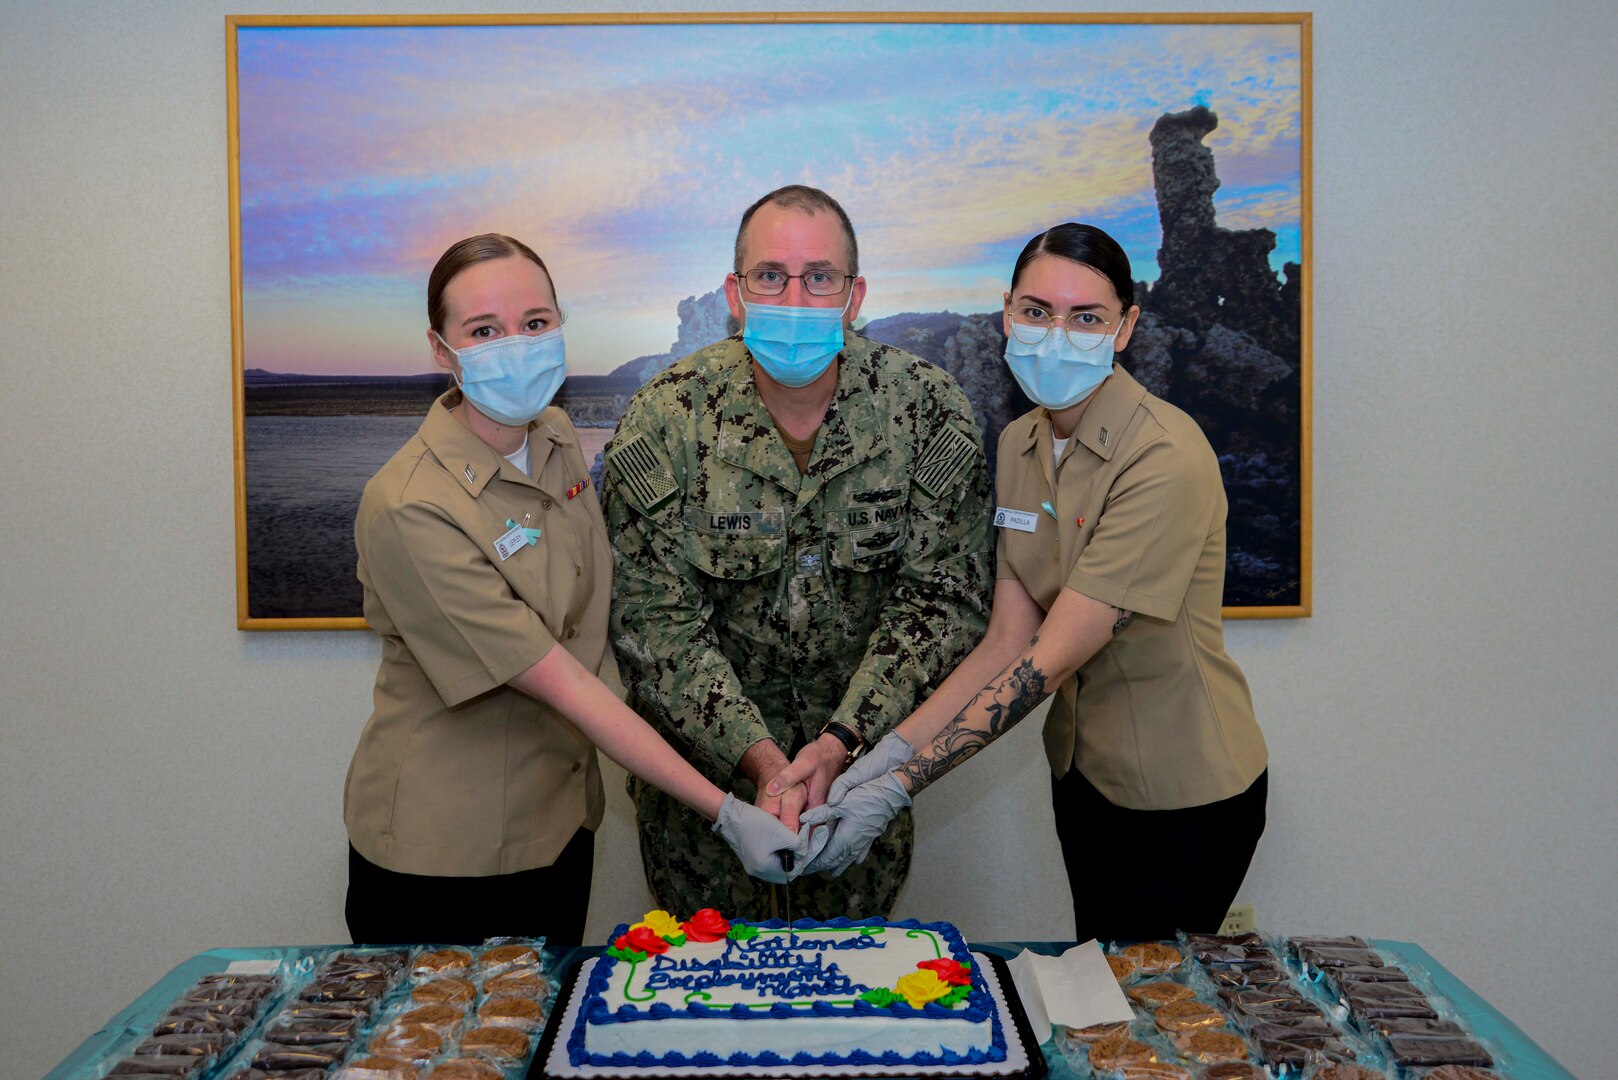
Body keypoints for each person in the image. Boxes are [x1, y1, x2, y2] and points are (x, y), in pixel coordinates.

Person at [773, 222, 1269, 941]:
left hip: (1186, 793)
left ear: (1125, 327)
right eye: (1037, 312)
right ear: (1008, 313)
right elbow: (1007, 638)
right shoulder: (1021, 442)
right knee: (1098, 978)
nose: (1055, 334)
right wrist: (880, 751)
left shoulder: (1164, 457)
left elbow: (1052, 657)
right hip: (1084, 778)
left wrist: (897, 789)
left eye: (1086, 317)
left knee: (1152, 1015)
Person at [344, 233, 806, 946]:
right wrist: (725, 811)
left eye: (535, 324)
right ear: (442, 350)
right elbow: (566, 683)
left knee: (548, 1039)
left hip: (558, 826)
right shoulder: (410, 507)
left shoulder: (555, 435)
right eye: (483, 331)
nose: (516, 346)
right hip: (446, 857)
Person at [603, 186, 994, 921]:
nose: (795, 296)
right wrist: (759, 758)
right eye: (770, 276)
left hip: (858, 805)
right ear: (735, 292)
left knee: (853, 1017)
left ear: (854, 295)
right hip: (704, 819)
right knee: (703, 1025)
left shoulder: (925, 409)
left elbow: (943, 603)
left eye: (820, 277)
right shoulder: (666, 417)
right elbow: (653, 625)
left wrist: (842, 741)